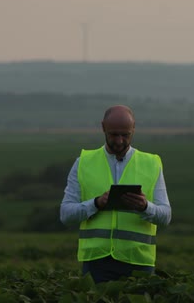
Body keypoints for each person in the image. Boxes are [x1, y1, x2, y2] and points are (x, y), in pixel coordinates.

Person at [60, 105, 172, 283]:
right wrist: (96, 204)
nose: (119, 141)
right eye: (114, 134)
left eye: (125, 135)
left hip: (139, 263)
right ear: (103, 127)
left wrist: (144, 207)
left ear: (133, 129)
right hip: (96, 263)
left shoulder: (152, 163)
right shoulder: (83, 163)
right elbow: (66, 215)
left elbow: (165, 216)